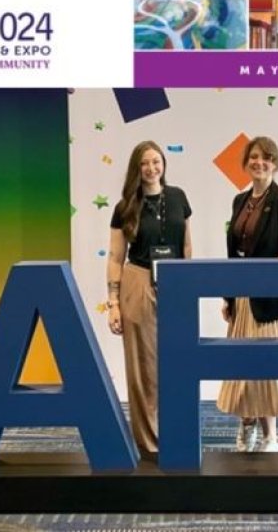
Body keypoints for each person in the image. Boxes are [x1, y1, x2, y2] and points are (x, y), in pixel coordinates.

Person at [217, 136, 278, 453]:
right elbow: (234, 254)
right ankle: (247, 426)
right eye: (254, 157)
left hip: (272, 299)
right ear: (246, 162)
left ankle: (271, 436)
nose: (260, 162)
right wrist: (229, 297)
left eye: (267, 157)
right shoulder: (239, 201)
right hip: (244, 296)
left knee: (263, 369)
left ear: (275, 164)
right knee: (242, 366)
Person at [106, 140, 192, 454]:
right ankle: (149, 441)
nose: (151, 168)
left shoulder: (178, 197)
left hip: (175, 283)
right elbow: (115, 258)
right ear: (136, 168)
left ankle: (174, 431)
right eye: (144, 163)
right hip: (138, 281)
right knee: (144, 366)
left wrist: (188, 285)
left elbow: (187, 246)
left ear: (163, 164)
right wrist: (113, 303)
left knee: (175, 361)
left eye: (156, 161)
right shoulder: (125, 207)